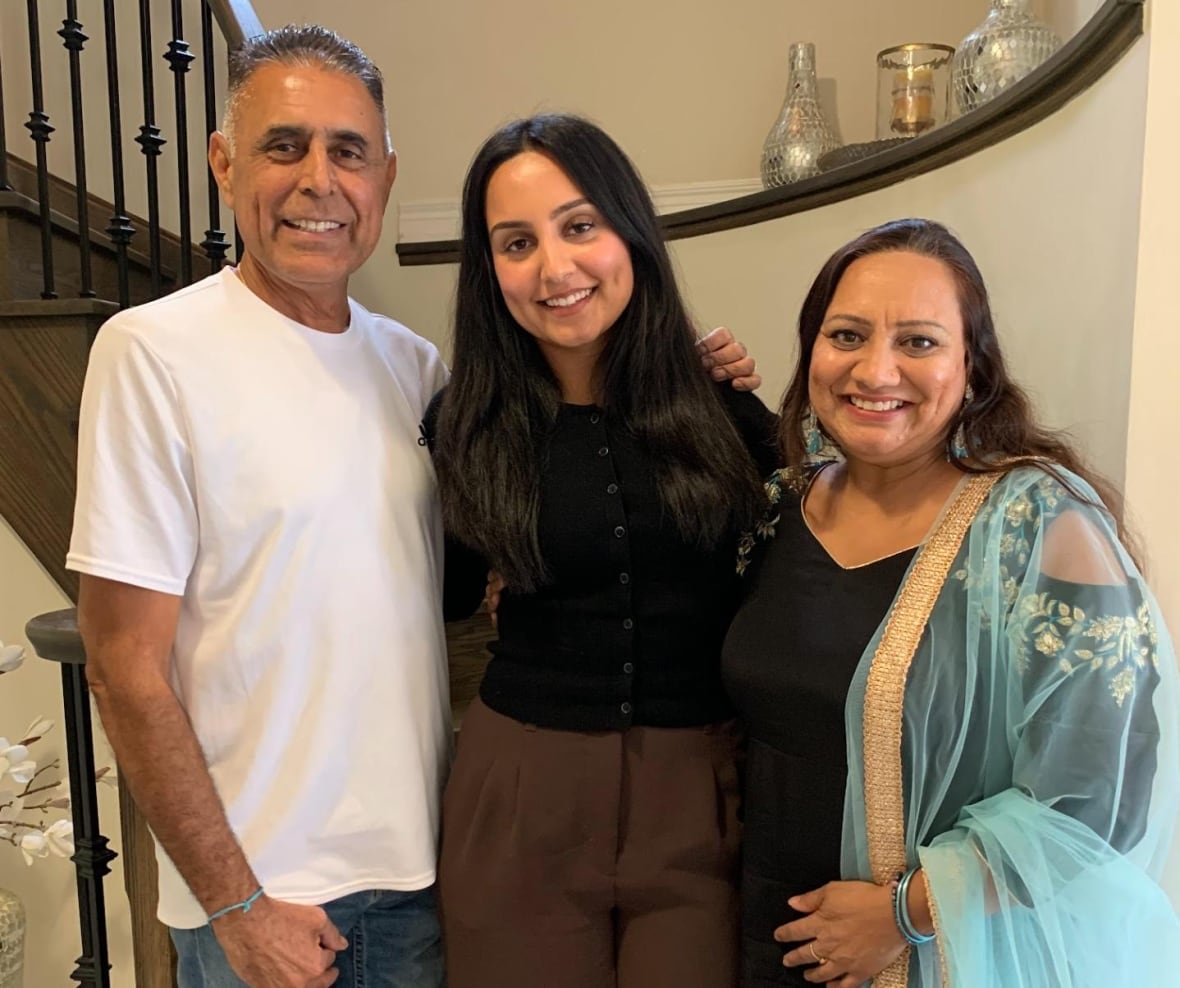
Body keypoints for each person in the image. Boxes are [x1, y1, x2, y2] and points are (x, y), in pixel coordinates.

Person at [66, 27, 755, 988]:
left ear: (385, 177)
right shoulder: (153, 354)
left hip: (422, 865)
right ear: (224, 164)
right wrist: (235, 903)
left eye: (347, 151)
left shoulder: (421, 377)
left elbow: (459, 589)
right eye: (283, 146)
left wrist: (696, 378)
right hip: (272, 896)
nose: (319, 179)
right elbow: (122, 668)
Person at [721, 217, 1180, 988]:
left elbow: (1102, 794)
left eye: (920, 342)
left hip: (935, 953)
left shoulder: (1041, 525)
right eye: (847, 335)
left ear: (974, 367)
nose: (876, 370)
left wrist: (905, 914)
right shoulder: (780, 504)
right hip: (767, 932)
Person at [426, 113, 781, 988]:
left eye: (580, 225)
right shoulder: (463, 428)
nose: (556, 267)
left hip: (697, 797)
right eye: (516, 242)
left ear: (630, 230)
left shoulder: (725, 412)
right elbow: (439, 599)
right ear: (489, 271)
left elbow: (798, 584)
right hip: (518, 794)